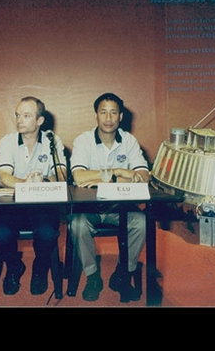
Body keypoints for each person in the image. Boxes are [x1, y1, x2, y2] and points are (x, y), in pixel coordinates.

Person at [69, 92, 150, 302]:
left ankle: (124, 271)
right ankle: (92, 275)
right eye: (103, 112)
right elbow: (79, 177)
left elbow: (142, 176)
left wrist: (100, 179)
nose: (108, 118)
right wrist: (119, 172)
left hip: (119, 207)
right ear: (96, 115)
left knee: (141, 222)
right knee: (77, 226)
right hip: (89, 208)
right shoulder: (83, 140)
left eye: (113, 112)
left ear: (121, 116)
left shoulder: (129, 141)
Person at [0, 96, 67, 297]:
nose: (19, 120)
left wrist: (43, 182)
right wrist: (25, 184)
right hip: (13, 206)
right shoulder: (8, 141)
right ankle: (14, 266)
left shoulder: (52, 140)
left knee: (48, 234)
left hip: (42, 205)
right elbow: (3, 176)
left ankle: (41, 267)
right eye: (18, 115)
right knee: (0, 234)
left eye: (26, 116)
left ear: (40, 121)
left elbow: (61, 173)